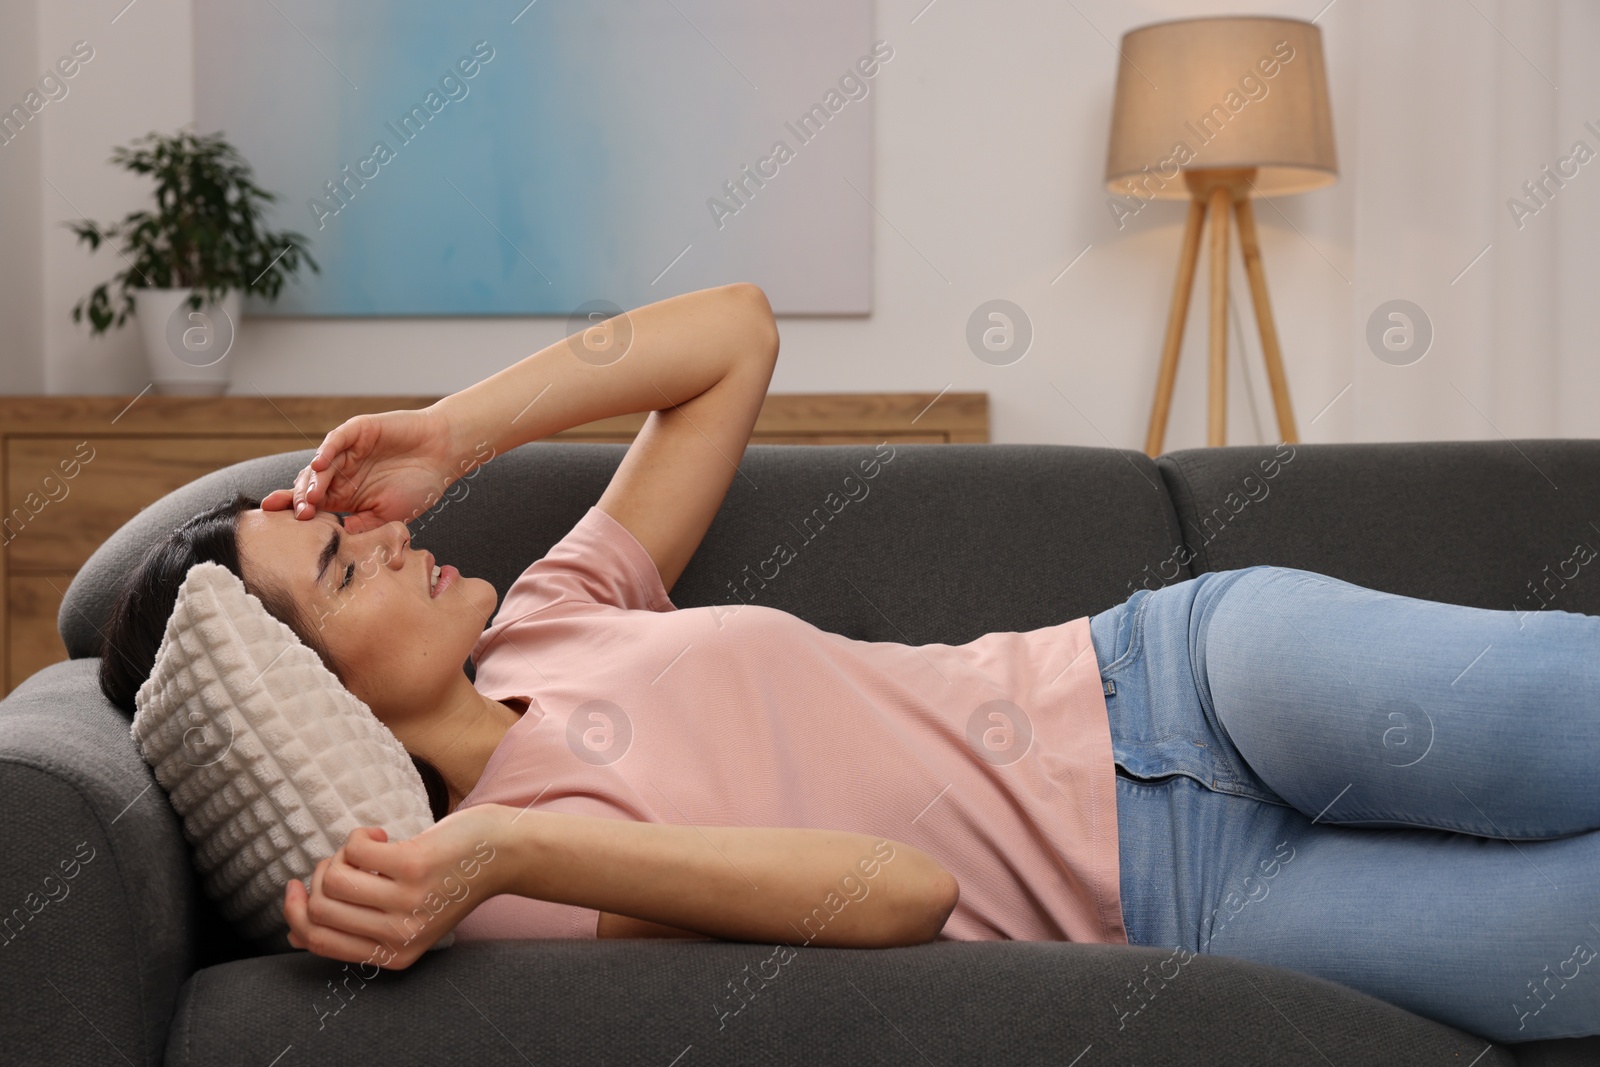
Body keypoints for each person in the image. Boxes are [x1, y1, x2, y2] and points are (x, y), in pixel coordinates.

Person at [97, 283, 1599, 1045]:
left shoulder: (552, 611)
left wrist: (454, 431)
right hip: (1192, 900)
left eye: (351, 518)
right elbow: (903, 896)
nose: (384, 531)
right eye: (342, 563)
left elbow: (732, 336)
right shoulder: (526, 887)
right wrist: (494, 848)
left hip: (1188, 677)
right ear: (310, 695)